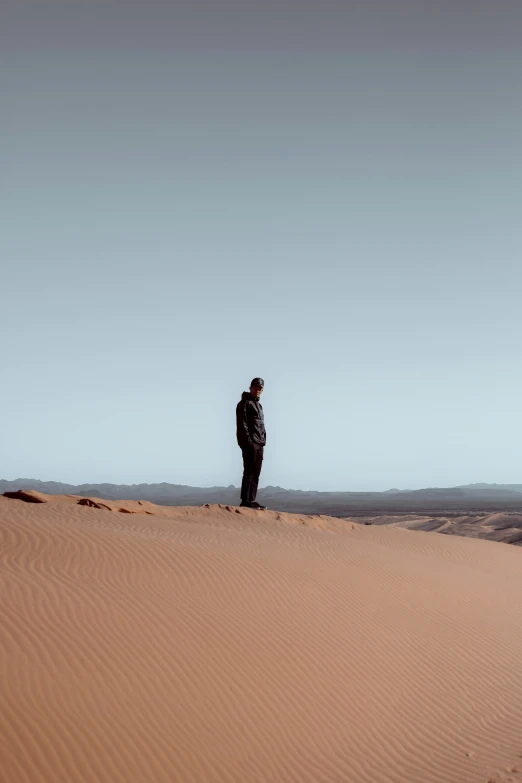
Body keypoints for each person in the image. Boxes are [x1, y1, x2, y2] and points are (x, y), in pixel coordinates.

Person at [236, 377, 267, 509]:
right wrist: (247, 441)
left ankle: (252, 499)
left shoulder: (259, 405)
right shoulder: (244, 403)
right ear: (250, 387)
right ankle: (245, 500)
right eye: (255, 387)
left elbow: (260, 425)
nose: (257, 390)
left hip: (260, 443)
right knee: (249, 471)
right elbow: (242, 424)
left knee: (256, 472)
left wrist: (264, 439)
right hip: (250, 443)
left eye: (260, 388)